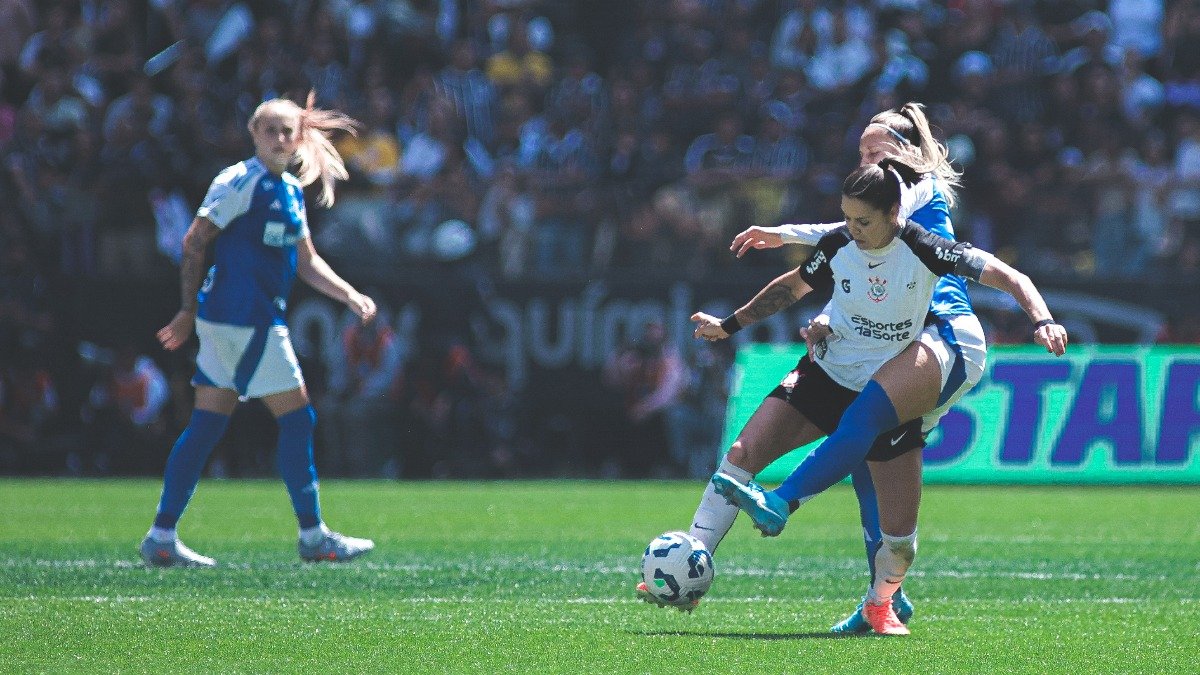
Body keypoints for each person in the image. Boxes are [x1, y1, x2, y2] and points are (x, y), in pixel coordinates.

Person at [701, 158, 1067, 634]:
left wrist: (1042, 320)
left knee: (899, 542)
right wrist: (728, 325)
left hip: (892, 379)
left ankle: (881, 601)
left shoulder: (926, 248)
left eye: (863, 221)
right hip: (841, 373)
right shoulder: (838, 244)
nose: (852, 230)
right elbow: (791, 288)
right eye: (847, 218)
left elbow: (1012, 277)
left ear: (896, 212)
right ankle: (773, 507)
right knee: (844, 429)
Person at [690, 102, 985, 633]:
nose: (870, 160)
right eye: (863, 152)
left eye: (880, 150)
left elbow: (857, 225)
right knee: (864, 462)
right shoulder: (874, 221)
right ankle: (883, 596)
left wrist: (786, 233)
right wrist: (829, 315)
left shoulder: (914, 187)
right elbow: (856, 255)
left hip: (932, 338)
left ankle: (785, 507)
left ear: (908, 153)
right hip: (886, 341)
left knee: (867, 443)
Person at [140, 93, 379, 567]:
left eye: (288, 130)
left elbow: (306, 261)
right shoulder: (239, 182)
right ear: (253, 134)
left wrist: (348, 294)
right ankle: (313, 537)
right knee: (298, 419)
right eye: (269, 129)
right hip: (244, 319)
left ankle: (162, 535)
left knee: (207, 425)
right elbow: (194, 240)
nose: (280, 138)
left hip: (239, 321)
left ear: (298, 138)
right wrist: (187, 309)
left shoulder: (288, 190)